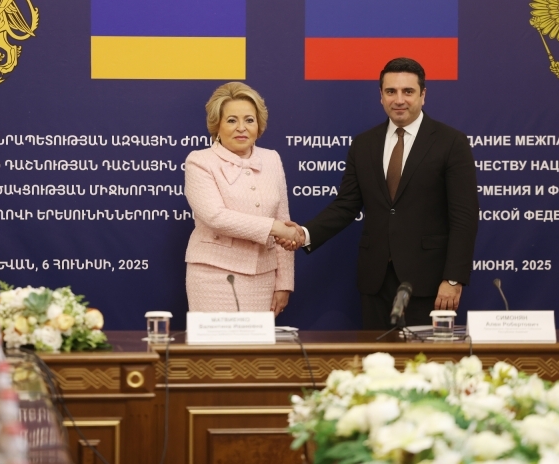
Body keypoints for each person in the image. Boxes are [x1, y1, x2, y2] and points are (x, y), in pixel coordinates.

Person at [281, 57, 478, 329]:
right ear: (381, 96)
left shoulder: (451, 142)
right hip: (375, 281)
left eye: (408, 91)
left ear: (423, 95)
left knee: (424, 356)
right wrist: (305, 234)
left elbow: (464, 217)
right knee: (377, 355)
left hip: (429, 282)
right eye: (391, 91)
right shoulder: (364, 144)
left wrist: (453, 279)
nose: (399, 100)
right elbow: (346, 205)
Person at [184, 82, 303, 316]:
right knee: (216, 341)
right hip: (213, 275)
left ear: (259, 125)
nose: (241, 128)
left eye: (249, 120)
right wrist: (275, 228)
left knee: (255, 342)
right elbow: (215, 217)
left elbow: (284, 220)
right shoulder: (199, 161)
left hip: (263, 278)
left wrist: (284, 283)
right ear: (217, 125)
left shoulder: (272, 159)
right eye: (231, 120)